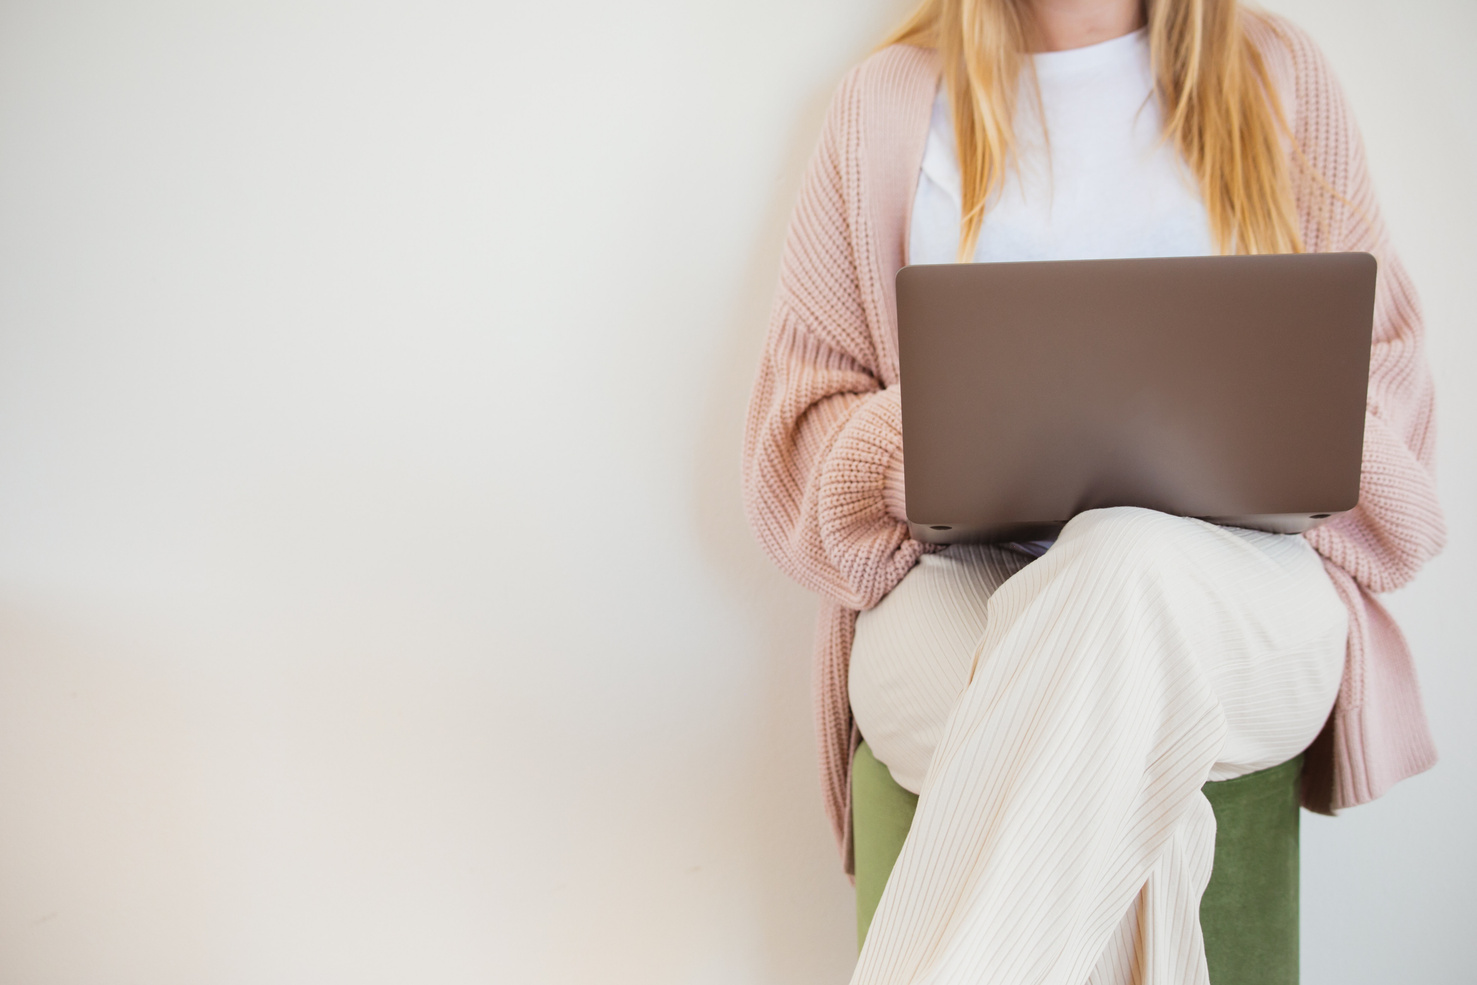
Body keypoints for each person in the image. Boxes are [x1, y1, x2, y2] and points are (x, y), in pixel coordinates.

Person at [740, 0, 1446, 981]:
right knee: (1110, 748)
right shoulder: (886, 105)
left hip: (1238, 586)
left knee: (1123, 560)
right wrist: (934, 427)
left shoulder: (1279, 75)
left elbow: (1388, 389)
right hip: (962, 578)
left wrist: (1274, 414)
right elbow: (799, 426)